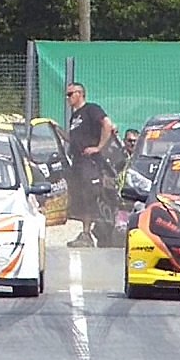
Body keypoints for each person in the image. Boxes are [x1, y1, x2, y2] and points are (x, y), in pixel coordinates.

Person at [65, 82, 116, 248]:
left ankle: (89, 233)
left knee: (89, 195)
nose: (68, 98)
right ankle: (85, 233)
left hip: (90, 161)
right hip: (78, 161)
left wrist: (99, 147)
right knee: (80, 196)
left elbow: (107, 124)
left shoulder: (91, 109)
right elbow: (73, 139)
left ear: (80, 94)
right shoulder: (75, 116)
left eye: (70, 94)